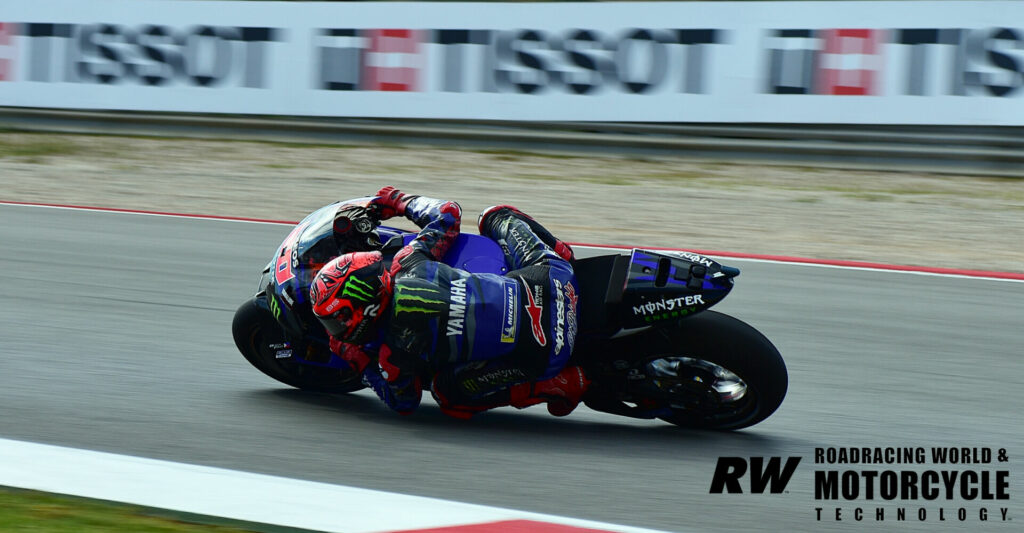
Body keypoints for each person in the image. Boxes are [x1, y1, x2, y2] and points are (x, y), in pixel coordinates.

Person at [309, 186, 589, 419]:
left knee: (448, 395)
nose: (333, 328)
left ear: (366, 310)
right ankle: (561, 252)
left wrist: (360, 363)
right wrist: (396, 201)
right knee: (494, 216)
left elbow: (403, 402)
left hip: (549, 351)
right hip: (556, 279)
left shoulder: (392, 354)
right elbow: (448, 214)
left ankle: (557, 384)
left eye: (335, 320)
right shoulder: (409, 261)